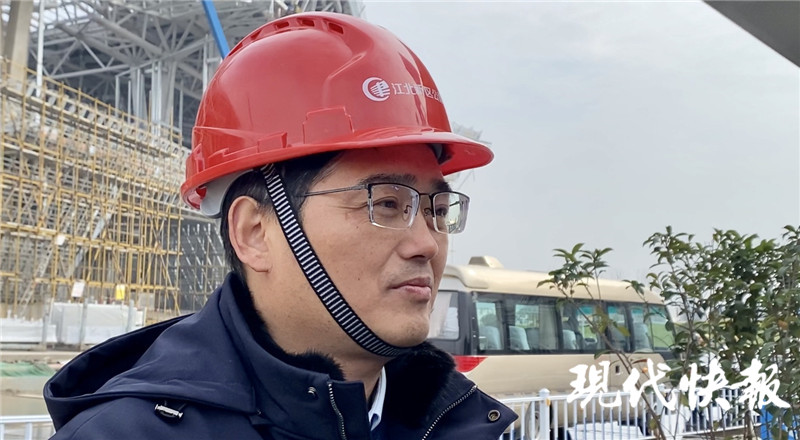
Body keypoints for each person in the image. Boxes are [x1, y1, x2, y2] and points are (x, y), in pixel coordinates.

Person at [44, 11, 517, 439]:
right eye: (387, 203)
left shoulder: (461, 422)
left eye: (437, 210)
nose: (426, 244)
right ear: (254, 233)